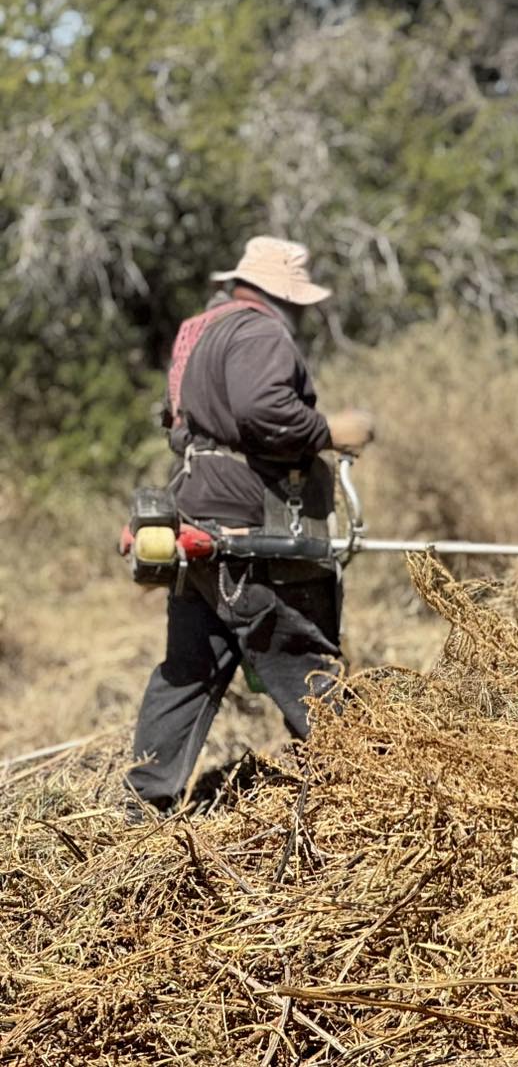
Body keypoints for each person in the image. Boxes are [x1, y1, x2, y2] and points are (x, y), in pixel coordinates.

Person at [127, 237, 375, 815]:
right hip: (249, 527)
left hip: (197, 513)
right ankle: (364, 782)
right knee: (296, 651)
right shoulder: (261, 332)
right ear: (283, 295)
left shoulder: (198, 331)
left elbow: (181, 424)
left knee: (190, 670)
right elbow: (263, 411)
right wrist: (329, 431)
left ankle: (143, 803)